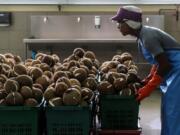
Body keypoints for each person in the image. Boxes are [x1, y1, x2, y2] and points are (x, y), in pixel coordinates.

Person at [111, 5, 180, 135]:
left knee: (174, 112)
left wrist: (149, 87)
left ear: (129, 23)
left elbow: (165, 65)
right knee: (168, 110)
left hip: (177, 72)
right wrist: (148, 79)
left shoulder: (147, 37)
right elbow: (158, 61)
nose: (118, 26)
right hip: (174, 72)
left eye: (120, 23)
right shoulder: (143, 36)